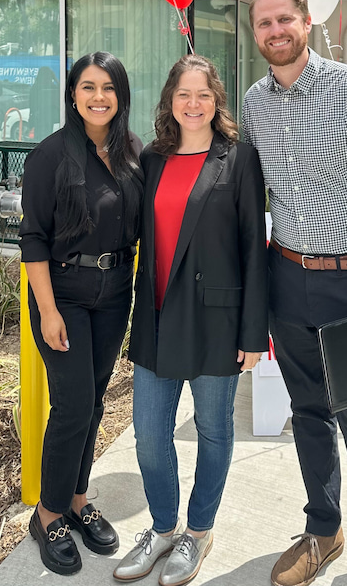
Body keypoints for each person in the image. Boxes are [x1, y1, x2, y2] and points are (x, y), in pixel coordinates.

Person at [242, 0, 347, 586]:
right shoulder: (254, 104)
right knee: (309, 413)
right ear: (254, 32)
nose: (275, 31)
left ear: (306, 21)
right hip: (286, 278)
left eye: (284, 19)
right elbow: (246, 194)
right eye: (264, 23)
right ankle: (323, 530)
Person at [114, 54, 268, 586]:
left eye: (203, 94)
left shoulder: (239, 159)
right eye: (184, 94)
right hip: (158, 316)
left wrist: (254, 333)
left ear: (216, 100)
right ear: (170, 101)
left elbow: (253, 248)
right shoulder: (152, 159)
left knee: (213, 431)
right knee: (149, 436)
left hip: (216, 322)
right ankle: (162, 528)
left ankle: (198, 532)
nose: (194, 103)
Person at [20, 52, 143, 576]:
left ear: (121, 95)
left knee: (92, 403)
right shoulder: (50, 155)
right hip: (63, 293)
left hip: (114, 293)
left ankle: (76, 499)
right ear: (73, 95)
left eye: (108, 87)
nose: (99, 96)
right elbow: (33, 239)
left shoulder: (133, 152)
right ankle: (48, 513)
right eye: (88, 86)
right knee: (72, 405)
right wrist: (47, 311)